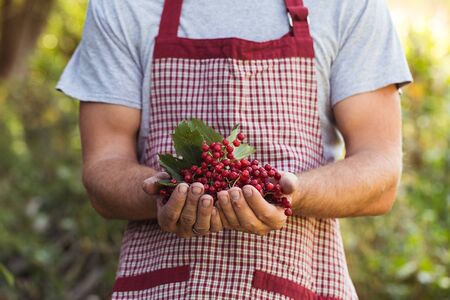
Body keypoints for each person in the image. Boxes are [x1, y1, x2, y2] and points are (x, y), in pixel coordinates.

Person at [57, 0, 412, 299]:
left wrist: (288, 193)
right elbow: (104, 166)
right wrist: (163, 193)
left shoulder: (348, 5)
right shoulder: (121, 6)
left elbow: (380, 174)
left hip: (298, 282)